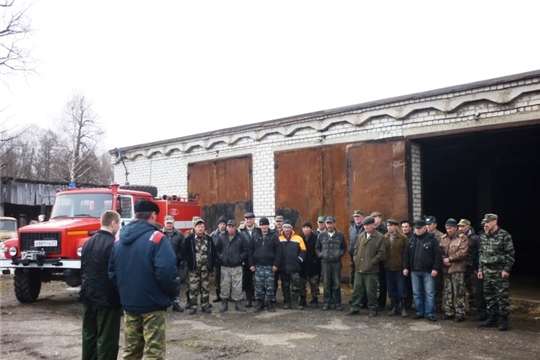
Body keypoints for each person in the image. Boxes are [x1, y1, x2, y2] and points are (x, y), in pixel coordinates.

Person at [108, 200, 179, 359]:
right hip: (153, 304)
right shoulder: (157, 238)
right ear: (153, 216)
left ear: (135, 215)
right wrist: (171, 294)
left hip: (129, 304)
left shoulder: (119, 240)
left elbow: (112, 272)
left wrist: (125, 293)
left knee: (132, 351)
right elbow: (167, 272)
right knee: (153, 352)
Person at [78, 210, 122, 360]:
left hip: (88, 294)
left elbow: (83, 267)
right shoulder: (113, 244)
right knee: (107, 339)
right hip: (107, 298)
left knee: (89, 335)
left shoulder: (87, 242)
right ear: (113, 223)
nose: (118, 228)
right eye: (119, 224)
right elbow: (115, 273)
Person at [478, 213, 515, 331]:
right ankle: (492, 318)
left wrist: (506, 269)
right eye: (485, 222)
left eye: (488, 222)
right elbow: (481, 253)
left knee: (502, 297)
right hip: (487, 271)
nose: (486, 224)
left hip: (499, 271)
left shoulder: (504, 236)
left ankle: (504, 320)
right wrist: (480, 269)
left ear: (495, 221)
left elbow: (510, 254)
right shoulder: (484, 236)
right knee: (489, 296)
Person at [402, 220, 441, 322]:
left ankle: (430, 313)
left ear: (425, 228)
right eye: (416, 229)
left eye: (419, 229)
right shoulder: (411, 240)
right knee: (416, 293)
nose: (417, 230)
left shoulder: (432, 240)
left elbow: (438, 255)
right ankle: (419, 312)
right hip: (414, 271)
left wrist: (435, 268)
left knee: (429, 293)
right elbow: (406, 255)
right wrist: (405, 267)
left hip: (428, 271)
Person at [347, 216, 386, 317]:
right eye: (364, 225)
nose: (366, 227)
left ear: (373, 225)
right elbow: (355, 249)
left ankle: (373, 308)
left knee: (371, 291)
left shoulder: (379, 237)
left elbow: (381, 253)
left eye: (368, 225)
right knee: (357, 290)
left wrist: (372, 262)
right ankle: (355, 308)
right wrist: (355, 259)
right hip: (359, 268)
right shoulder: (361, 236)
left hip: (371, 270)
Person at [182, 218, 216, 315]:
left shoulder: (209, 239)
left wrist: (211, 265)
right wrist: (189, 262)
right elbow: (184, 253)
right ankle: (193, 306)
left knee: (205, 288)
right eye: (198, 227)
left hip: (205, 270)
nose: (200, 229)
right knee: (193, 289)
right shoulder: (189, 239)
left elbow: (213, 253)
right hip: (194, 270)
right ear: (195, 228)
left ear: (204, 228)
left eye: (202, 226)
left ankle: (205, 305)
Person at [250, 217, 282, 312]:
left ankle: (270, 303)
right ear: (260, 226)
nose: (264, 226)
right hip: (258, 266)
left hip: (270, 266)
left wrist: (276, 264)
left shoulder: (273, 236)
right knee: (259, 285)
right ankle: (260, 303)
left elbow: (278, 251)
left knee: (270, 286)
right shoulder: (255, 235)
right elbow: (250, 251)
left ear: (268, 225)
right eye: (262, 225)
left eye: (265, 224)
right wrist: (251, 264)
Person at [216, 219, 248, 313]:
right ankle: (224, 304)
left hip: (237, 266)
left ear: (235, 227)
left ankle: (238, 304)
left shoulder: (241, 237)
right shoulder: (222, 237)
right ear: (227, 227)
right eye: (229, 226)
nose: (230, 228)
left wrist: (240, 258)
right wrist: (221, 257)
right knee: (224, 285)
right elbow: (217, 249)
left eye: (232, 226)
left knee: (237, 286)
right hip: (225, 266)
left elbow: (246, 250)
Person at [440, 218, 468, 322]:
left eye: (450, 228)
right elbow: (440, 250)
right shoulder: (443, 238)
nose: (448, 230)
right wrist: (443, 259)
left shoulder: (463, 238)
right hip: (446, 268)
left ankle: (460, 313)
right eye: (446, 228)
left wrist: (449, 259)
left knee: (458, 291)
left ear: (455, 228)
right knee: (447, 291)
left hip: (457, 269)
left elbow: (463, 252)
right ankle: (449, 311)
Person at [316, 216, 347, 311]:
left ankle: (337, 303)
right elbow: (317, 247)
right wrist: (321, 255)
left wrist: (340, 254)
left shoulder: (340, 235)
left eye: (331, 223)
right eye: (328, 223)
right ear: (325, 224)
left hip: (336, 263)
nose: (329, 225)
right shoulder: (321, 235)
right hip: (325, 263)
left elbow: (344, 247)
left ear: (334, 224)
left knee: (337, 283)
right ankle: (326, 303)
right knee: (326, 284)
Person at [278, 219, 306, 310]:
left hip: (295, 267)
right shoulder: (279, 238)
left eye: (288, 227)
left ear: (291, 228)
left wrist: (299, 260)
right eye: (285, 227)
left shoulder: (298, 238)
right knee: (285, 286)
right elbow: (276, 252)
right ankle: (287, 302)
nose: (286, 229)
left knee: (296, 287)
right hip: (283, 268)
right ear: (282, 228)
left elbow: (303, 251)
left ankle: (294, 303)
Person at [384, 219, 409, 317]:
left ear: (395, 227)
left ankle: (404, 308)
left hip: (399, 268)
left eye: (391, 225)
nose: (389, 227)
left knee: (402, 288)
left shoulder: (402, 237)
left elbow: (406, 253)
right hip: (388, 267)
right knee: (391, 288)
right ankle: (395, 307)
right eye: (387, 225)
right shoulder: (384, 237)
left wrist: (405, 266)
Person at [162, 215, 185, 312]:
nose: (169, 225)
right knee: (162, 284)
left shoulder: (179, 234)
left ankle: (175, 304)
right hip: (162, 264)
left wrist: (179, 258)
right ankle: (164, 304)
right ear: (164, 223)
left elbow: (183, 248)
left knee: (176, 284)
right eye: (167, 223)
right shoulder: (159, 233)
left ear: (174, 223)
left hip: (176, 264)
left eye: (171, 223)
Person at [458, 218, 480, 317]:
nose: (460, 228)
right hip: (460, 267)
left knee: (473, 290)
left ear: (468, 227)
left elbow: (478, 253)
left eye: (462, 226)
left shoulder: (475, 238)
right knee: (460, 289)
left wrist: (477, 267)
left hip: (471, 268)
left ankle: (473, 308)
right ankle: (461, 309)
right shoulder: (457, 237)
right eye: (459, 226)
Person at [238, 212, 261, 307]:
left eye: (251, 219)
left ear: (254, 220)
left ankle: (258, 297)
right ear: (245, 220)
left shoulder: (259, 230)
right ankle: (248, 299)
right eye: (247, 219)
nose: (249, 221)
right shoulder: (240, 231)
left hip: (258, 258)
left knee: (258, 280)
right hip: (246, 259)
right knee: (247, 279)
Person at [299, 221, 321, 308]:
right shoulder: (300, 238)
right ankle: (303, 299)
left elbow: (319, 250)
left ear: (311, 229)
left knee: (314, 284)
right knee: (302, 284)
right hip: (302, 265)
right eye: (304, 228)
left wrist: (316, 261)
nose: (306, 229)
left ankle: (315, 300)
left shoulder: (316, 238)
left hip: (313, 265)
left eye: (307, 227)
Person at [426, 215, 444, 313]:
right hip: (427, 265)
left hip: (437, 265)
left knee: (437, 286)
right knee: (428, 288)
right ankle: (429, 305)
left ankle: (438, 306)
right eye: (427, 224)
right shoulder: (424, 235)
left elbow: (443, 251)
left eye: (430, 224)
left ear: (435, 225)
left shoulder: (441, 236)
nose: (428, 226)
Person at [371, 211, 388, 310]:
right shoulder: (371, 229)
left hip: (381, 260)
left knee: (382, 282)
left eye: (375, 217)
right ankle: (372, 301)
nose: (374, 219)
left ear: (380, 218)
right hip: (372, 260)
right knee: (372, 282)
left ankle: (381, 303)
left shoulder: (384, 230)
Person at [348, 210, 365, 299]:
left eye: (358, 217)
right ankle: (355, 298)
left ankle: (363, 299)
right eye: (355, 217)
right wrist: (349, 249)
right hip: (353, 257)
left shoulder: (365, 228)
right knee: (353, 278)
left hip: (362, 257)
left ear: (362, 217)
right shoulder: (351, 228)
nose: (356, 218)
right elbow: (350, 241)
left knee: (362, 278)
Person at [211, 215, 227, 303]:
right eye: (221, 224)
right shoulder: (213, 235)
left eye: (224, 224)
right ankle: (218, 296)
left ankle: (227, 295)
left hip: (226, 261)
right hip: (217, 261)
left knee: (227, 278)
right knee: (217, 278)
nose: (222, 225)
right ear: (218, 225)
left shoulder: (229, 234)